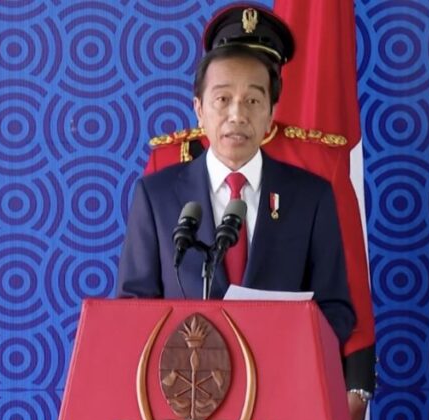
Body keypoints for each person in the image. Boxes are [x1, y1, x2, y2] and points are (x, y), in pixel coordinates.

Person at [117, 4, 355, 360]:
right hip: (187, 382)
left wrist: (292, 350)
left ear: (271, 113)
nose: (237, 115)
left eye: (253, 100)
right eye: (223, 99)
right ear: (199, 109)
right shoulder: (156, 196)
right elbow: (133, 305)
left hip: (282, 378)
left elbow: (336, 310)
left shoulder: (311, 196)